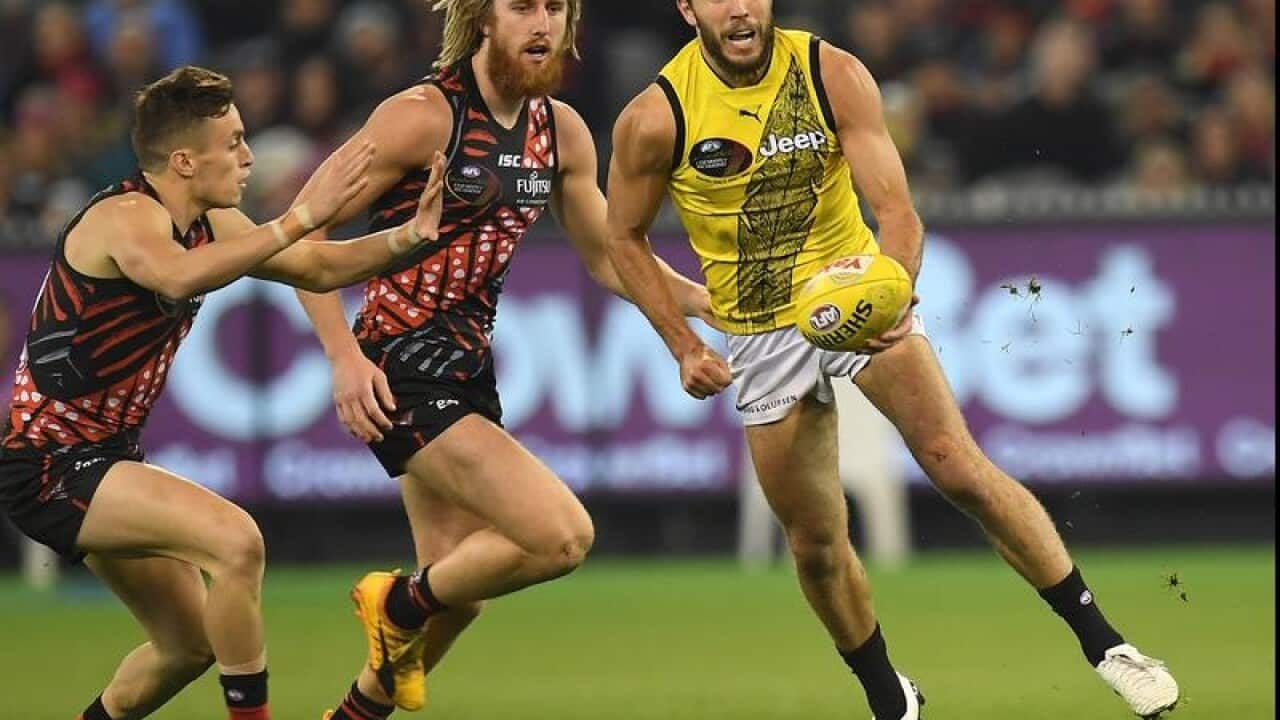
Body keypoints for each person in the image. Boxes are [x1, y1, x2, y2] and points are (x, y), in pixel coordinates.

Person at [603, 2, 1180, 719]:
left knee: (955, 463)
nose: (741, 5)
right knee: (815, 544)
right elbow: (622, 238)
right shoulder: (655, 118)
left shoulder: (829, 73)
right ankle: (890, 697)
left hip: (852, 293)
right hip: (758, 333)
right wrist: (684, 343)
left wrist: (894, 290)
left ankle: (1108, 645)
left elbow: (899, 212)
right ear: (687, 6)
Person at [288, 2, 713, 718]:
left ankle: (359, 699)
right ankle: (394, 602)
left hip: (466, 371)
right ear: (483, 19)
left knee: (463, 594)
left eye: (556, 8)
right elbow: (301, 235)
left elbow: (612, 258)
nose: (541, 23)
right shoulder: (421, 117)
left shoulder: (562, 132)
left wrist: (702, 302)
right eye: (522, 7)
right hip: (398, 368)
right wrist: (342, 358)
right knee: (561, 536)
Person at [0, 64, 452, 720]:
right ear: (184, 161)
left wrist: (408, 237)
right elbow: (178, 278)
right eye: (235, 141)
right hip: (49, 465)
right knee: (237, 542)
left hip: (103, 460)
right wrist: (298, 218)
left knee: (186, 646)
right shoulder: (124, 217)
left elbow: (317, 267)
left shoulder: (212, 222)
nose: (248, 154)